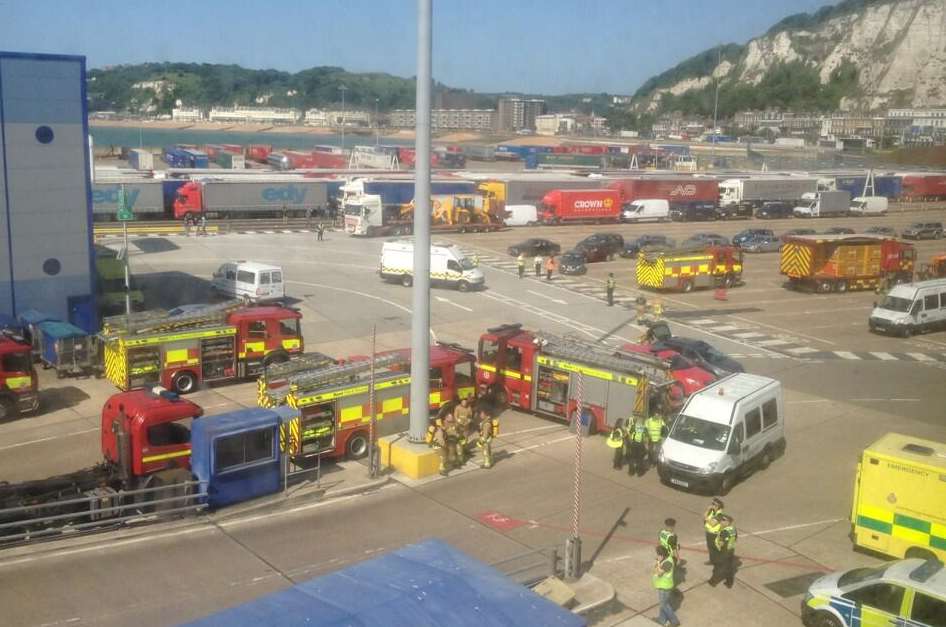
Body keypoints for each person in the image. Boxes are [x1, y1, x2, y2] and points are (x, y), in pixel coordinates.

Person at [652, 545, 681, 627]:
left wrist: (657, 563)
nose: (657, 556)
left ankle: (674, 621)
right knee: (663, 604)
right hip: (662, 585)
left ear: (662, 555)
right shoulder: (665, 559)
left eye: (658, 555)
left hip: (665, 587)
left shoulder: (667, 563)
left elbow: (658, 573)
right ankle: (662, 620)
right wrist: (659, 562)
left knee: (664, 605)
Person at [709, 515, 737, 588]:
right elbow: (735, 539)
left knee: (717, 568)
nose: (721, 522)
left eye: (723, 520)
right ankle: (729, 583)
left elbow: (721, 543)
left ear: (728, 522)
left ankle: (713, 581)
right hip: (731, 550)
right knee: (729, 568)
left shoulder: (724, 532)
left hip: (723, 552)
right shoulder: (733, 529)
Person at [704, 498, 724, 565]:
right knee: (710, 548)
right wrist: (708, 510)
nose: (712, 505)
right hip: (709, 532)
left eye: (714, 504)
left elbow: (713, 524)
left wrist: (707, 519)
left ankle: (719, 561)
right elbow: (704, 517)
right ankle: (712, 560)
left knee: (716, 548)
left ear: (718, 506)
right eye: (712, 504)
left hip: (715, 534)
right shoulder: (712, 511)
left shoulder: (719, 514)